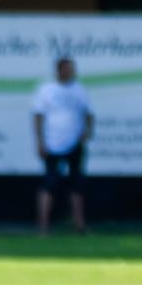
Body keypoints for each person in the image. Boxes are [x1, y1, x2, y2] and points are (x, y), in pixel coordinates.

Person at [31, 56, 93, 235]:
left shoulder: (79, 90)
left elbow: (89, 113)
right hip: (52, 143)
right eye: (67, 68)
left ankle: (79, 225)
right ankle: (43, 225)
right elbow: (38, 115)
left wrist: (87, 131)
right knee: (49, 183)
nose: (70, 72)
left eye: (72, 68)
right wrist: (40, 141)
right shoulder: (47, 90)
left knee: (77, 185)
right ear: (59, 70)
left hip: (75, 143)